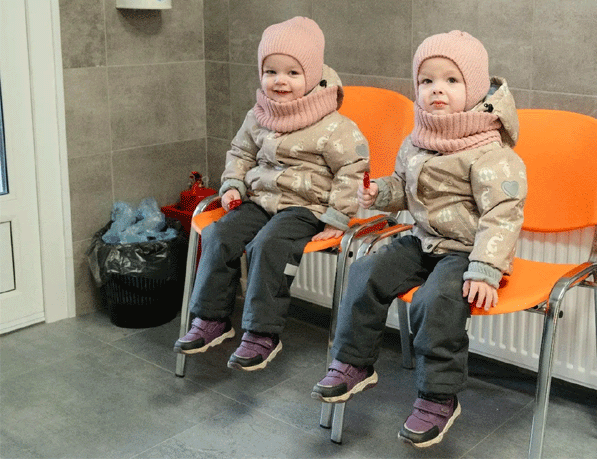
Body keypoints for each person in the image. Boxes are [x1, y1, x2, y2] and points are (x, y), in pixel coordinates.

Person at [311, 31, 527, 448]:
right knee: (366, 270)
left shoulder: (491, 150)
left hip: (467, 251)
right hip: (423, 240)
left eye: (451, 80)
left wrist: (485, 268)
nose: (436, 90)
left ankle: (438, 397)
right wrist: (381, 194)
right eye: (427, 81)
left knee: (436, 299)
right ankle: (355, 363)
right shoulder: (417, 139)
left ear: (474, 88)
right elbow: (404, 187)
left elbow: (503, 214)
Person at [174, 17, 369, 372]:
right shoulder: (258, 114)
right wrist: (233, 185)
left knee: (268, 244)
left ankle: (262, 333)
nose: (280, 81)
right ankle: (212, 319)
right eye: (271, 72)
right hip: (259, 200)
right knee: (219, 234)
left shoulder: (334, 125)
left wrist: (338, 218)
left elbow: (352, 170)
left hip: (305, 207)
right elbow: (240, 152)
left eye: (293, 73)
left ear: (312, 75)